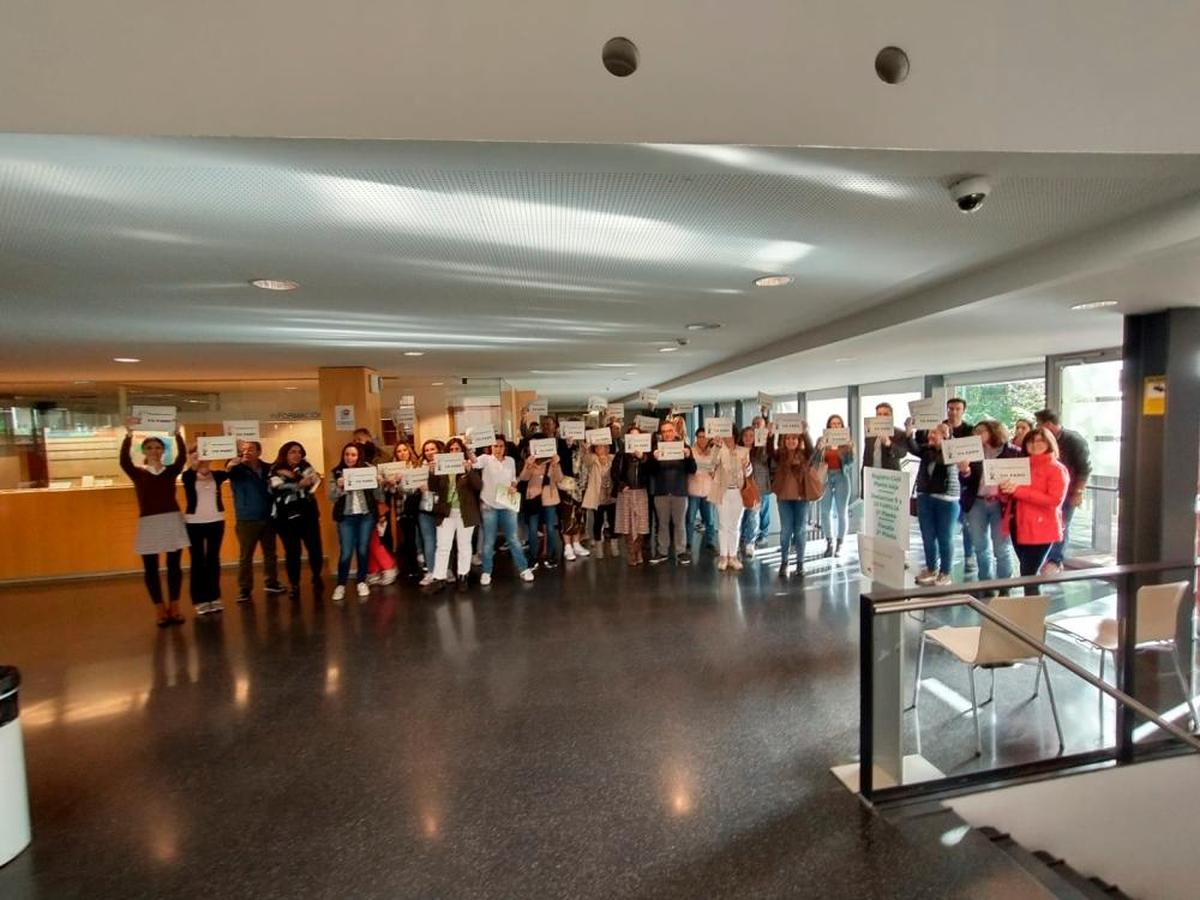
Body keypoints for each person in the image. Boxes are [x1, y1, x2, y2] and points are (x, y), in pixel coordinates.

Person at [120, 421, 189, 627]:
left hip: (171, 519)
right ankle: (159, 609)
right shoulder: (138, 473)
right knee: (150, 568)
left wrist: (177, 434)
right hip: (149, 522)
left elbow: (182, 458)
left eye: (158, 447)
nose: (154, 451)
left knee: (174, 565)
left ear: (163, 450)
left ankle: (174, 607)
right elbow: (124, 461)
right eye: (149, 447)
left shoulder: (170, 471)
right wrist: (128, 435)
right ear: (144, 450)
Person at [1000, 426, 1070, 593]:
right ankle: (1030, 613)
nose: (1035, 444)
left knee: (1028, 574)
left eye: (1040, 440)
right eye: (1031, 441)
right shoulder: (1021, 466)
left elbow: (1054, 500)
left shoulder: (1057, 469)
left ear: (1049, 443)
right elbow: (1010, 496)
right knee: (1027, 573)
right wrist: (1004, 491)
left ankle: (1032, 615)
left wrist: (1018, 490)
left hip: (1041, 529)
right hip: (1017, 524)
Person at [960, 421, 1018, 587]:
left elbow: (1021, 476)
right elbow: (965, 480)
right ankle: (985, 582)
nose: (976, 434)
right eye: (975, 431)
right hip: (977, 502)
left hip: (1001, 504)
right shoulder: (972, 453)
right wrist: (965, 472)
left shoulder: (1011, 452)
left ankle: (1004, 586)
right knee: (979, 545)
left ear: (993, 431)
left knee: (1001, 547)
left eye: (981, 431)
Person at [1033, 409, 1092, 574]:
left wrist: (1078, 491)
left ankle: (1055, 560)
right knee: (1050, 523)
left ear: (1048, 424)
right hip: (1046, 491)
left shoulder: (1073, 440)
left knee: (1062, 524)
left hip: (1067, 491)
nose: (1038, 427)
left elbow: (1084, 468)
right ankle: (1046, 557)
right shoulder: (1045, 440)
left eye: (1039, 424)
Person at [226, 440, 285, 602]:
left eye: (251, 449)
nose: (247, 452)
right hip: (246, 518)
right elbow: (227, 472)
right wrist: (232, 463)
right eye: (244, 450)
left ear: (259, 452)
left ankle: (271, 582)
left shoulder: (268, 468)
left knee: (270, 553)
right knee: (246, 555)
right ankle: (244, 588)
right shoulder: (236, 469)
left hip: (267, 516)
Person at [474, 435, 535, 585]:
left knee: (513, 538)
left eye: (501, 446)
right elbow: (474, 462)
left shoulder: (510, 461)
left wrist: (514, 485)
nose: (498, 449)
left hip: (507, 503)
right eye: (495, 446)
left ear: (505, 448)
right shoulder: (485, 459)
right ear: (490, 447)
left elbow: (513, 478)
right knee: (489, 540)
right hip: (489, 505)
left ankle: (523, 568)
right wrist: (469, 447)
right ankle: (487, 571)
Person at [268, 441, 324, 599]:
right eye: (293, 451)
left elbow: (313, 483)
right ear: (285, 453)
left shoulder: (307, 466)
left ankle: (316, 575)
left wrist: (310, 480)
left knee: (315, 548)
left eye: (299, 451)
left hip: (308, 514)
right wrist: (298, 484)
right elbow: (276, 487)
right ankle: (295, 584)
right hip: (285, 517)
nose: (297, 454)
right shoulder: (275, 469)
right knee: (293, 552)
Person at [328, 442, 381, 602]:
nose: (350, 458)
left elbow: (378, 495)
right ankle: (341, 584)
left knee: (363, 549)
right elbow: (331, 497)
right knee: (346, 551)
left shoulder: (368, 470)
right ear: (343, 456)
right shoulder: (336, 472)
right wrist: (339, 487)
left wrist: (378, 482)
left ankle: (361, 581)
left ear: (359, 456)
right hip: (346, 517)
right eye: (347, 454)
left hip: (365, 515)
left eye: (353, 454)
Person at [429, 437, 482, 589]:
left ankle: (463, 576)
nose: (454, 451)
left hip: (465, 512)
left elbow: (478, 486)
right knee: (443, 546)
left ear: (462, 451)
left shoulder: (469, 466)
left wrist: (469, 471)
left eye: (457, 449)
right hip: (445, 513)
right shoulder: (442, 468)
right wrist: (432, 473)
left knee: (464, 545)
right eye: (451, 449)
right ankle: (439, 578)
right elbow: (433, 488)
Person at [182, 447, 230, 615]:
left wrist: (234, 447)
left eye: (204, 456)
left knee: (213, 559)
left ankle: (214, 597)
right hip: (194, 523)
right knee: (197, 560)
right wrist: (194, 463)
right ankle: (199, 599)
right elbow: (189, 474)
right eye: (196, 456)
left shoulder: (217, 475)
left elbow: (232, 466)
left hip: (216, 521)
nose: (202, 460)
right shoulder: (188, 476)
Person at [909, 423, 958, 586]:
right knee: (927, 536)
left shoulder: (953, 451)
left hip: (947, 499)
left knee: (945, 537)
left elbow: (945, 460)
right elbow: (914, 448)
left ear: (945, 436)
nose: (930, 436)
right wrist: (910, 433)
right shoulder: (926, 450)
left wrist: (944, 442)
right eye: (930, 433)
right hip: (925, 497)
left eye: (934, 434)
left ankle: (945, 572)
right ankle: (931, 568)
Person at [772, 428, 822, 578]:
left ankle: (800, 564)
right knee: (786, 530)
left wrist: (805, 432)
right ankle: (784, 562)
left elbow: (811, 448)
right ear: (784, 440)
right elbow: (769, 449)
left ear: (799, 441)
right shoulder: (780, 455)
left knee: (800, 530)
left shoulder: (805, 455)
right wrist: (771, 432)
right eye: (788, 438)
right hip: (784, 498)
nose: (791, 441)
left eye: (794, 438)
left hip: (801, 498)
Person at [647, 419, 697, 565]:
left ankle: (681, 552)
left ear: (674, 431)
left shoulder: (684, 447)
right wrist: (654, 459)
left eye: (669, 431)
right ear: (661, 434)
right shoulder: (656, 448)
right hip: (661, 492)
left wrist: (688, 457)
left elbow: (692, 470)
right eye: (664, 432)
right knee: (662, 524)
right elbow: (650, 471)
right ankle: (662, 551)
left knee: (680, 523)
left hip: (679, 492)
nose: (667, 434)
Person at [708, 433, 751, 572]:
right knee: (723, 524)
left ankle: (733, 555)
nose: (727, 438)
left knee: (735, 525)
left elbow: (749, 473)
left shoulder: (744, 451)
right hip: (723, 491)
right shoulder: (719, 449)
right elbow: (711, 465)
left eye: (730, 435)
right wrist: (715, 447)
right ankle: (723, 556)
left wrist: (747, 465)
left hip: (739, 492)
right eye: (725, 435)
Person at [519, 442, 565, 570]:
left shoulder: (552, 462)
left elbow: (559, 478)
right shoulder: (530, 462)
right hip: (533, 498)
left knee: (550, 528)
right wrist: (528, 465)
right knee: (533, 529)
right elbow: (523, 478)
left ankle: (550, 555)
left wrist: (556, 464)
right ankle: (533, 557)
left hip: (549, 498)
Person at [382, 441, 424, 581]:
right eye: (399, 451)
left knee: (423, 535)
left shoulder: (417, 465)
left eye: (404, 450)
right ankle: (413, 568)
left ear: (409, 451)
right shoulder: (392, 469)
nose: (402, 453)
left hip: (421, 506)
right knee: (409, 538)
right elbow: (390, 492)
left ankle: (425, 564)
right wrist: (393, 483)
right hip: (403, 509)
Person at [944, 397, 976, 573]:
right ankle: (943, 557)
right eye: (950, 409)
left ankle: (969, 556)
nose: (953, 412)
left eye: (957, 409)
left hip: (965, 482)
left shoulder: (971, 431)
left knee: (967, 523)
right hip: (944, 483)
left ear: (963, 411)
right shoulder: (940, 428)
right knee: (945, 525)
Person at [612, 425, 652, 566]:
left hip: (641, 491)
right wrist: (622, 485)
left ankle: (638, 550)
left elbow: (652, 472)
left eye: (637, 436)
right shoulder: (621, 454)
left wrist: (642, 458)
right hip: (626, 493)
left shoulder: (647, 454)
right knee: (627, 524)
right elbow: (614, 473)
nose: (635, 438)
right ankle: (631, 553)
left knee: (641, 524)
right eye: (632, 435)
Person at [819, 414, 854, 558]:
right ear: (828, 426)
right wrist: (819, 448)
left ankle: (840, 543)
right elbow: (814, 461)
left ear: (842, 426)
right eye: (833, 424)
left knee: (841, 511)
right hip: (825, 476)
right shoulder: (822, 441)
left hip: (841, 476)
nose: (835, 426)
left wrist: (849, 450)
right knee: (825, 511)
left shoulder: (846, 443)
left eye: (838, 424)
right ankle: (829, 542)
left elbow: (851, 463)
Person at [581, 439, 619, 557]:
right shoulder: (592, 459)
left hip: (611, 495)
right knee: (598, 521)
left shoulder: (613, 458)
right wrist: (586, 448)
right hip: (598, 496)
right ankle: (598, 547)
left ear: (608, 448)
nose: (601, 449)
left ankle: (614, 545)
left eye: (604, 446)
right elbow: (585, 458)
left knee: (613, 521)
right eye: (598, 447)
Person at [415, 439, 444, 585]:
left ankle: (445, 570)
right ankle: (431, 571)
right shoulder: (419, 467)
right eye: (426, 450)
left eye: (432, 449)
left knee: (444, 542)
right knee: (429, 541)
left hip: (442, 508)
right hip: (425, 508)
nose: (429, 452)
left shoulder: (445, 465)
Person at [686, 428, 719, 555]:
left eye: (705, 436)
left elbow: (717, 468)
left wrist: (714, 473)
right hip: (693, 491)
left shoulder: (713, 452)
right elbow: (689, 468)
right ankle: (688, 543)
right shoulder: (691, 451)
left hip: (708, 492)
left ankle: (710, 543)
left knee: (710, 520)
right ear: (696, 437)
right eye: (700, 436)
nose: (702, 439)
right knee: (690, 519)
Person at [739, 425, 770, 557]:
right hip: (739, 487)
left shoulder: (761, 451)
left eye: (751, 436)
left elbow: (765, 460)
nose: (748, 438)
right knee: (740, 516)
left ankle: (750, 543)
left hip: (756, 488)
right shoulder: (737, 451)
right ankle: (740, 540)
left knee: (753, 516)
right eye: (745, 435)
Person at [863, 402, 909, 475]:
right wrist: (863, 475)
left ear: (891, 416)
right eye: (879, 414)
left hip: (890, 477)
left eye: (885, 414)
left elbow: (902, 453)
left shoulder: (899, 433)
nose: (882, 417)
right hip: (871, 476)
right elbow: (866, 457)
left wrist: (889, 444)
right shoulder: (870, 433)